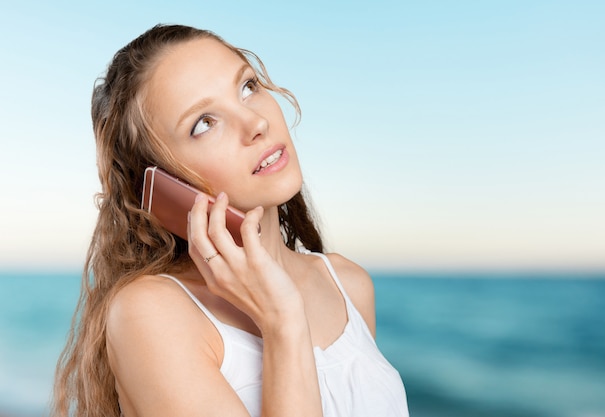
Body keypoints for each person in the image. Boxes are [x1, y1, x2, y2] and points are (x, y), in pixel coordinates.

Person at [52, 24, 409, 417]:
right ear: (163, 183)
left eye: (247, 87)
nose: (256, 124)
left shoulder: (349, 284)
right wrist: (282, 320)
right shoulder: (151, 314)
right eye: (204, 122)